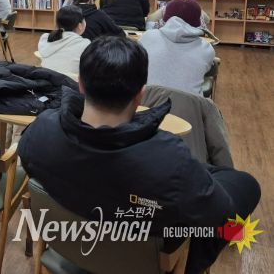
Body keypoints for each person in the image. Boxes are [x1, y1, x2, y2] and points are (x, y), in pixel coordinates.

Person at [19, 36, 260, 274]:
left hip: (67, 249)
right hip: (138, 261)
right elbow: (221, 216)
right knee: (245, 186)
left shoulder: (42, 130)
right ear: (140, 94)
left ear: (80, 84)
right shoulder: (167, 160)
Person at [139, 0, 215, 95]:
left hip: (149, 102)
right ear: (198, 21)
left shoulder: (147, 37)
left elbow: (150, 19)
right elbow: (207, 19)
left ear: (165, 17)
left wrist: (164, 8)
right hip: (189, 104)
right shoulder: (207, 49)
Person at [37, 5, 90, 76]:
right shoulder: (86, 44)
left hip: (45, 79)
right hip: (70, 82)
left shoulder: (45, 38)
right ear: (80, 25)